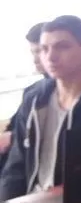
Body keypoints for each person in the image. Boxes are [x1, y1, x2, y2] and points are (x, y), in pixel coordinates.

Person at [0, 16, 81, 202]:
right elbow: (15, 169)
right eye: (44, 49)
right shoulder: (33, 100)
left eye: (62, 47)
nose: (50, 57)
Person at [1, 23, 48, 169]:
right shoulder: (32, 92)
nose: (35, 60)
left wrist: (12, 138)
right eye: (33, 53)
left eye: (39, 51)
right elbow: (13, 127)